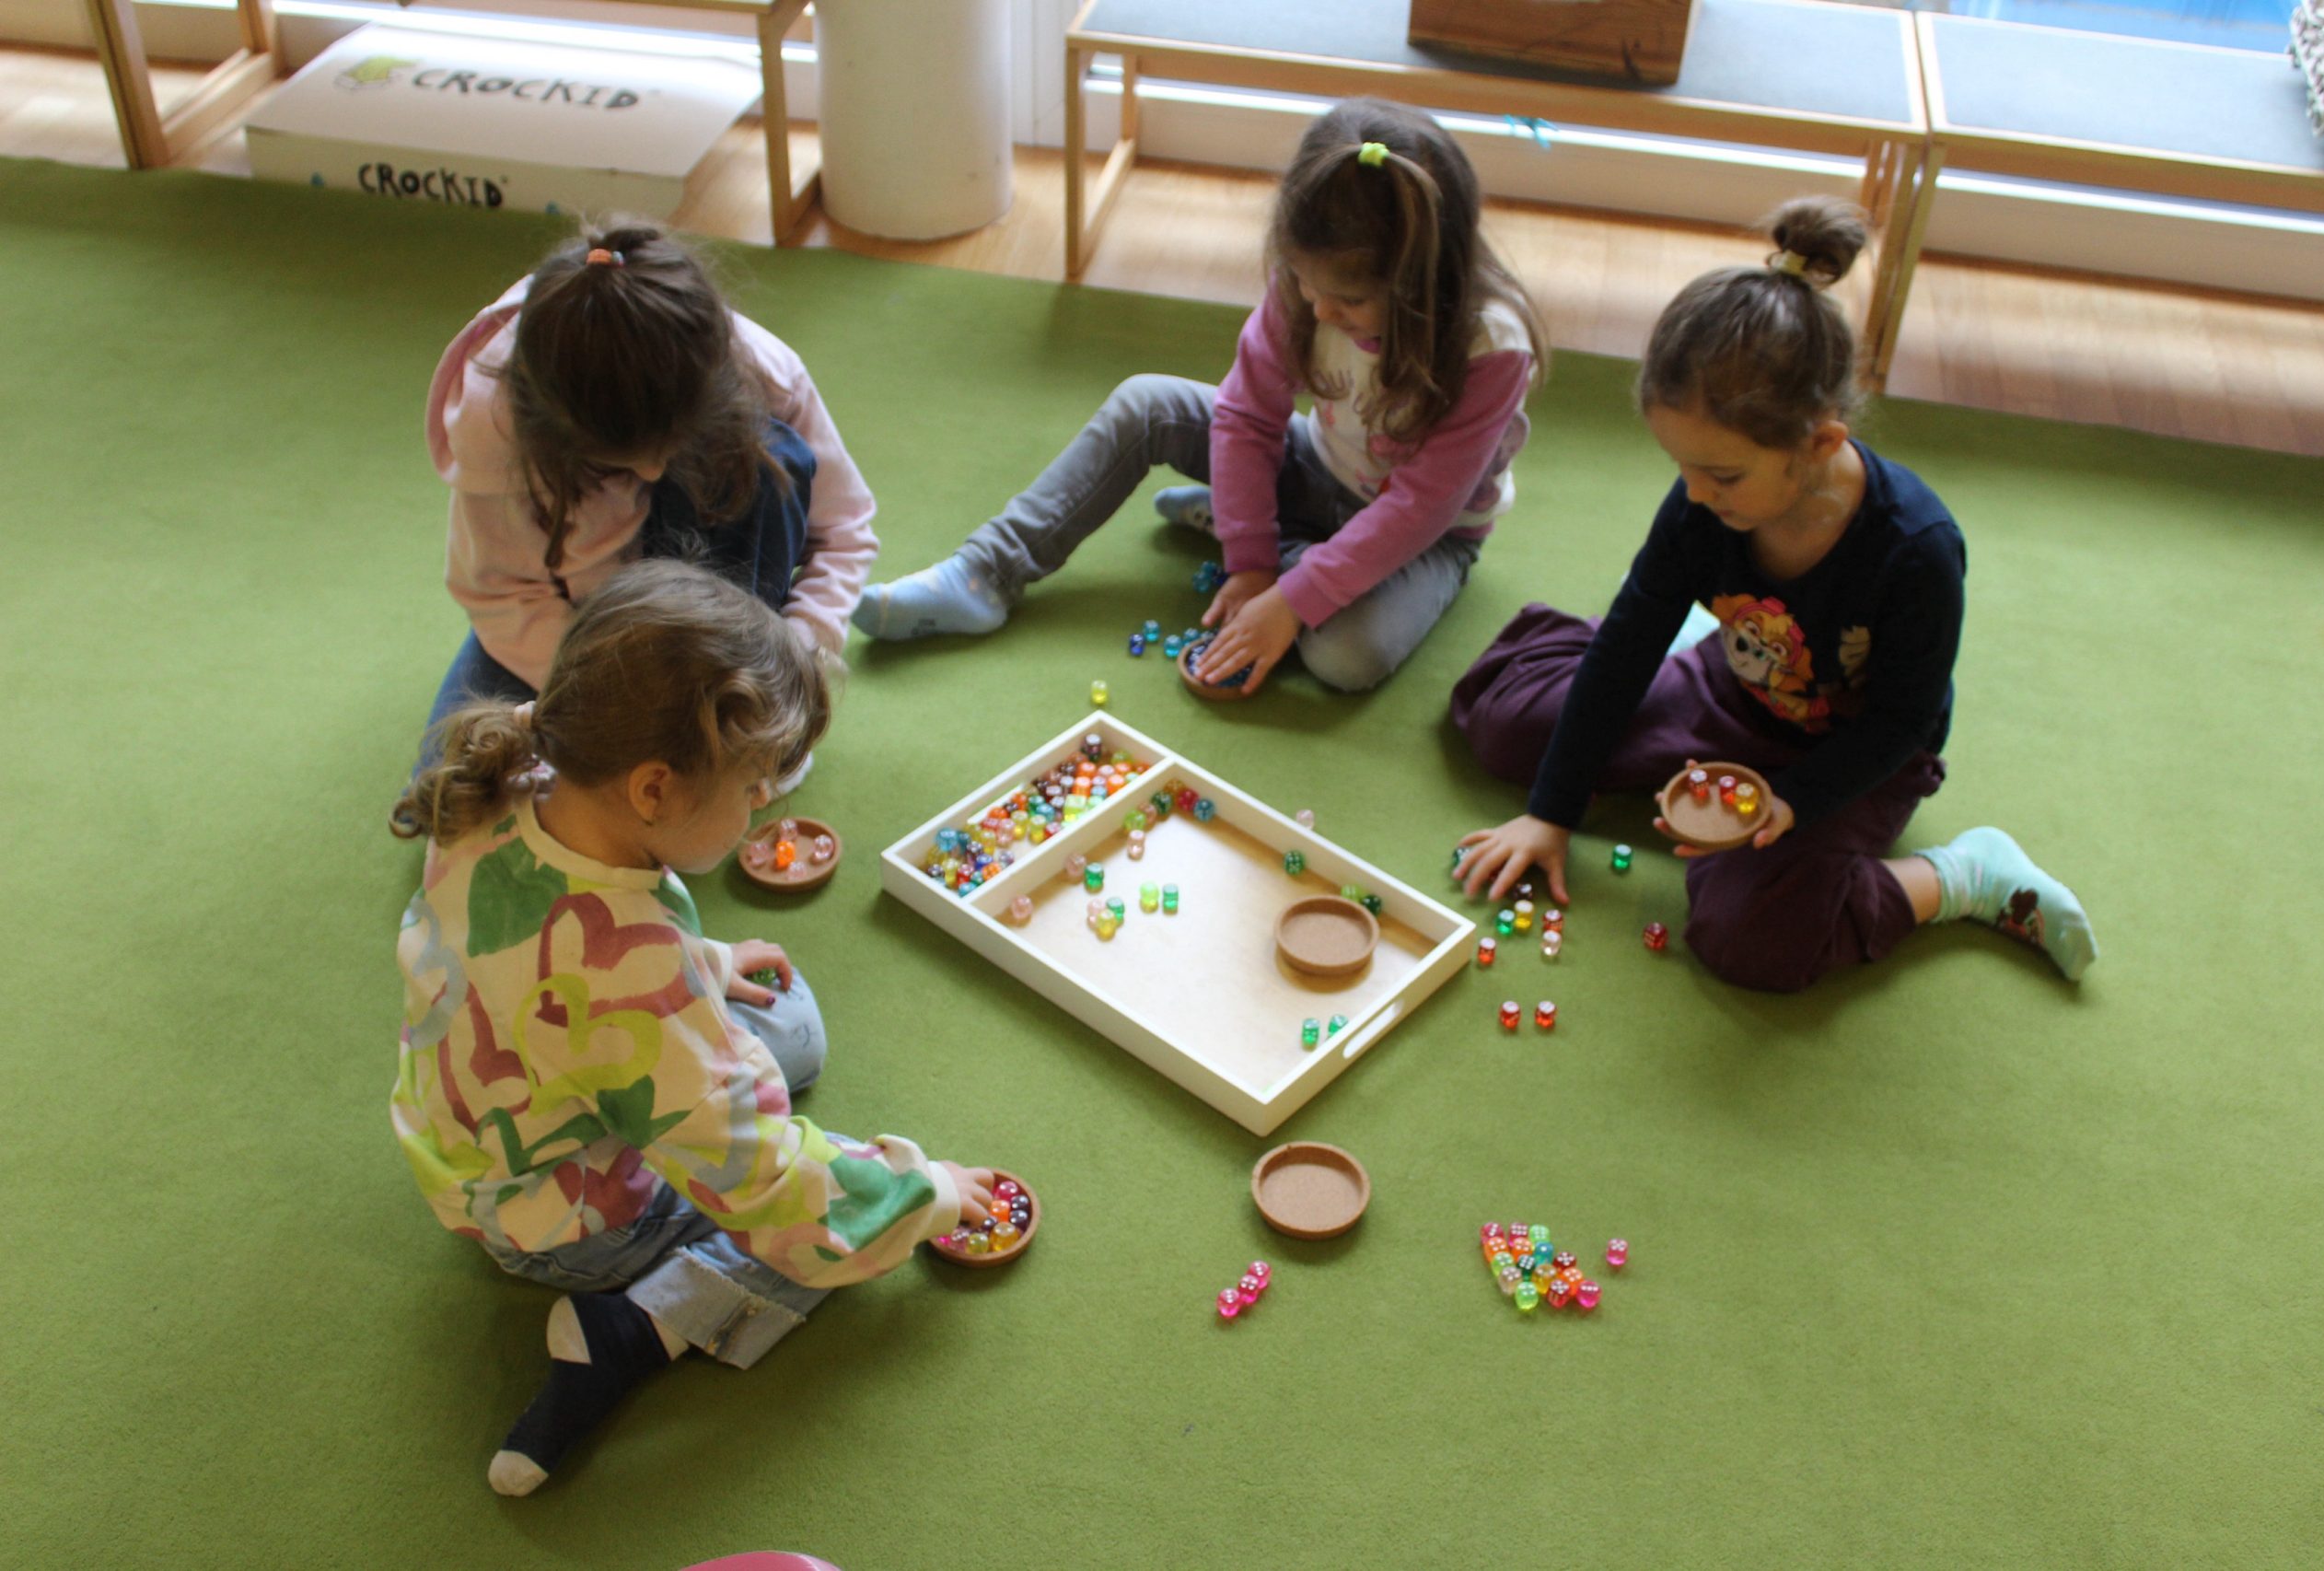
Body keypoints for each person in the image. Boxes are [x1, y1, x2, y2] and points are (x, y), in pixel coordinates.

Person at [390, 561, 995, 1495]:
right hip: (558, 1224)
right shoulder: (634, 979)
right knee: (814, 1229)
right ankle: (637, 1330)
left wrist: (700, 963)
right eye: (752, 787)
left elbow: (534, 963)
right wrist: (927, 1195)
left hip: (476, 1128)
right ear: (653, 790)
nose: (765, 806)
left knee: (792, 1030)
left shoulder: (518, 765)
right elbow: (773, 1186)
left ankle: (637, 1310)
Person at [1449, 197, 2095, 993]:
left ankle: (1967, 877)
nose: (1694, 493)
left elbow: (1903, 723)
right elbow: (1626, 644)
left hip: (1857, 752)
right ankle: (1699, 637)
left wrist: (1791, 801)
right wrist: (1552, 810)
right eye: (1681, 466)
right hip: (1739, 690)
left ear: (1820, 443)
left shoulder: (1916, 549)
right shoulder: (1703, 504)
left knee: (1748, 936)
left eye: (1722, 475)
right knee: (1508, 724)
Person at [853, 97, 1544, 694]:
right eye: (1305, 285)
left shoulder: (1491, 346)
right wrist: (1250, 562)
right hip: (1320, 466)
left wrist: (1288, 599)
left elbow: (1419, 509)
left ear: (1424, 282)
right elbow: (1247, 417)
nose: (1319, 309)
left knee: (1344, 658)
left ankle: (1272, 535)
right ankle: (985, 572)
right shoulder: (1310, 280)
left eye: (1350, 301)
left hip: (1430, 539)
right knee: (1146, 404)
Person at [422, 218, 877, 760]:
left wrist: (794, 656)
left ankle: (737, 679)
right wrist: (620, 698)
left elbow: (844, 531)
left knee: (769, 454)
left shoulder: (764, 372)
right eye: (618, 465)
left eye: (672, 446)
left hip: (715, 607)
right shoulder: (497, 424)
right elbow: (502, 595)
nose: (656, 471)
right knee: (448, 782)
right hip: (579, 626)